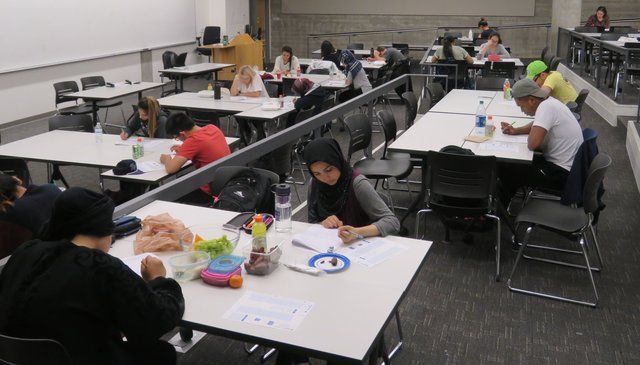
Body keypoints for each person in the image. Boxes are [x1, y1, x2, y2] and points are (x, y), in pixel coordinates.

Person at [0, 187, 184, 365]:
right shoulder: (98, 266)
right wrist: (159, 280)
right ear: (104, 230)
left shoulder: (26, 251)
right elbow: (157, 320)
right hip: (80, 358)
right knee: (161, 352)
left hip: (15, 356)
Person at [498, 79, 583, 203]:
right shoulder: (550, 102)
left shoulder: (546, 108)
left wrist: (532, 135)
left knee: (508, 169)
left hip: (561, 174)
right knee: (514, 166)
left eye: (522, 106)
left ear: (531, 100)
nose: (522, 111)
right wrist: (516, 130)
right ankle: (504, 202)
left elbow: (533, 144)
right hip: (570, 167)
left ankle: (501, 208)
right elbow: (538, 123)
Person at [304, 138, 400, 242]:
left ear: (337, 161)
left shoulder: (357, 183)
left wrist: (357, 233)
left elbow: (392, 222)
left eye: (329, 169)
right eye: (317, 173)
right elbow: (312, 222)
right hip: (331, 247)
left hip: (361, 244)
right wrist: (323, 223)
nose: (325, 178)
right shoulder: (314, 184)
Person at [161, 113, 231, 205]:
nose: (178, 139)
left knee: (169, 190)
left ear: (182, 133)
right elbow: (204, 148)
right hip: (226, 182)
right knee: (183, 178)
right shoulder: (212, 128)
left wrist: (166, 159)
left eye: (176, 137)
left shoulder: (193, 141)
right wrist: (184, 150)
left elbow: (171, 169)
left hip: (209, 191)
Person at [0, 173, 61, 259]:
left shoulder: (9, 214)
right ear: (17, 181)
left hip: (41, 263)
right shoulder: (51, 188)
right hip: (68, 255)